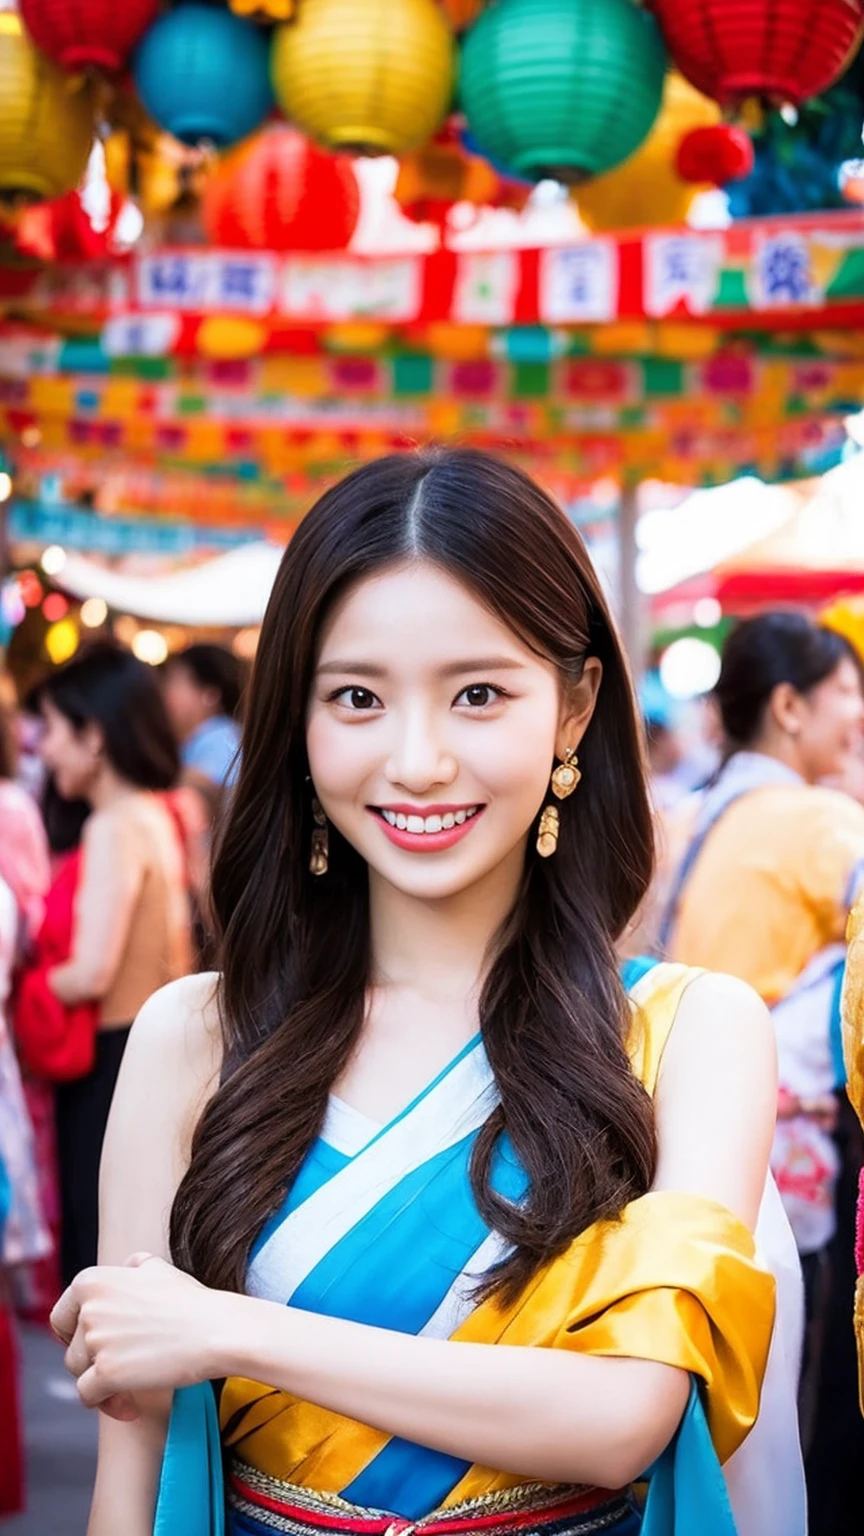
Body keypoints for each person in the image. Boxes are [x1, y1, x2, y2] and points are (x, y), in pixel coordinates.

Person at [52, 452, 795, 1536]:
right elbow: (134, 1467)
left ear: (577, 707)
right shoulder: (193, 1037)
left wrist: (229, 1331)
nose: (417, 760)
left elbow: (630, 1411)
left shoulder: (692, 1029)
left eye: (479, 694)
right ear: (297, 728)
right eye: (356, 697)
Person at [651, 612, 864, 1503]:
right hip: (782, 1153)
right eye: (846, 690)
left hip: (677, 1127)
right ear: (789, 707)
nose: (860, 710)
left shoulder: (686, 812)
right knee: (793, 1397)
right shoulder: (818, 820)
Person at [37, 645, 193, 1283]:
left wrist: (30, 981)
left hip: (107, 1056)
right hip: (146, 1047)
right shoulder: (158, 810)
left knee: (97, 1261)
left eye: (52, 730)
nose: (43, 750)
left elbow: (91, 971)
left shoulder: (113, 826)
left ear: (93, 736)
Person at [162, 643, 247, 799]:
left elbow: (208, 786)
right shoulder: (206, 737)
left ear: (210, 695)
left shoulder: (221, 736)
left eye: (175, 682)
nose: (165, 692)